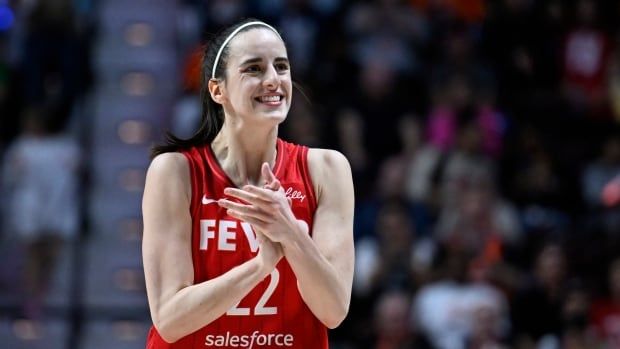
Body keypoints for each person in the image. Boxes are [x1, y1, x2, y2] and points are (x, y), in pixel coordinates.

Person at [142, 18, 355, 348]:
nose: (273, 80)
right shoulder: (175, 171)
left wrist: (290, 232)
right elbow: (170, 319)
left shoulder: (326, 169)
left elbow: (333, 310)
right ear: (218, 90)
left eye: (281, 67)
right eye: (254, 69)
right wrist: (260, 266)